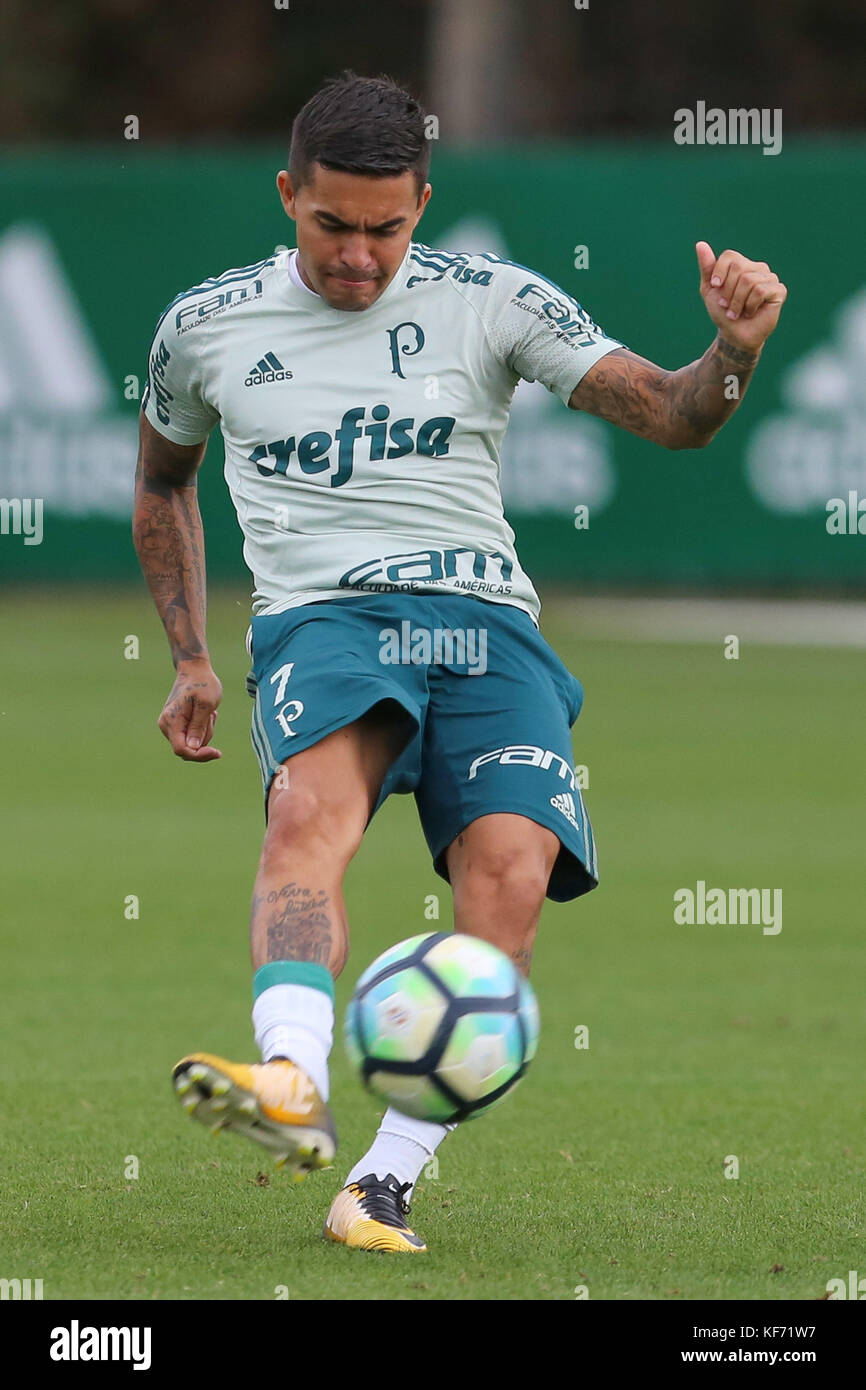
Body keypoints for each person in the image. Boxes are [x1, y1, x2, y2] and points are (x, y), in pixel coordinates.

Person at [133, 71, 787, 1253]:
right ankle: (288, 1079)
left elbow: (677, 414)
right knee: (306, 815)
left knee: (508, 883)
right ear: (288, 196)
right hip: (323, 617)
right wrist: (189, 656)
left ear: (421, 205)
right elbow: (162, 479)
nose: (357, 255)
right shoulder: (206, 324)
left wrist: (729, 351)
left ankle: (381, 1179)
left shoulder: (492, 299)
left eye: (386, 227)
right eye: (331, 224)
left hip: (485, 624)